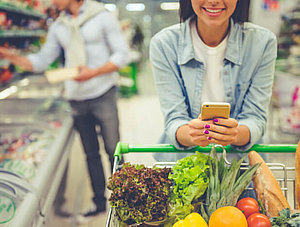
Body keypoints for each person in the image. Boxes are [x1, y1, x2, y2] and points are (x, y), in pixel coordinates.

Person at [0, 0, 128, 221]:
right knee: (91, 154)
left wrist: (94, 72)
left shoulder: (101, 16)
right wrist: (9, 55)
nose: (52, 2)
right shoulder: (59, 25)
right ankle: (99, 203)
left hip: (103, 92)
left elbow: (121, 54)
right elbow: (41, 61)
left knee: (113, 149)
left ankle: (125, 200)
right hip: (76, 98)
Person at [150, 0, 277, 161]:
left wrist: (235, 134)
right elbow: (174, 119)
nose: (214, 1)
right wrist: (192, 133)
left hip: (241, 168)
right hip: (185, 166)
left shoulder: (262, 43)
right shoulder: (164, 44)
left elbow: (256, 117)